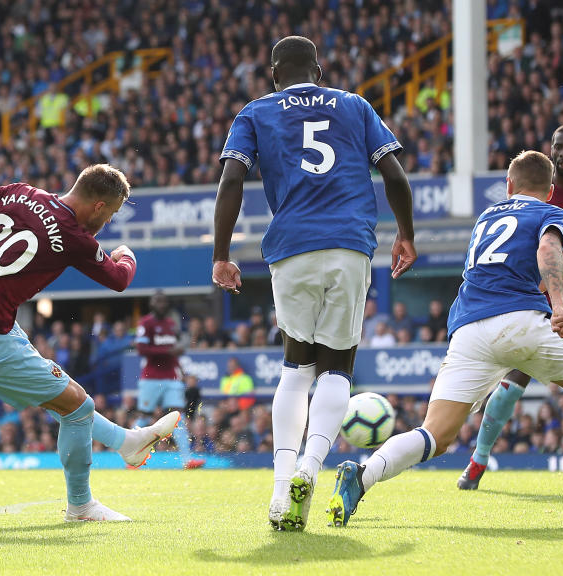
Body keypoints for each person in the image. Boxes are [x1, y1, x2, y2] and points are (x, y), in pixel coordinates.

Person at [327, 151, 563, 525]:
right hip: (520, 322)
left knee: (434, 435)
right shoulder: (552, 213)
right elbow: (548, 252)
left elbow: (537, 269)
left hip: (470, 330)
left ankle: (361, 475)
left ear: (508, 185)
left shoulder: (487, 217)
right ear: (550, 190)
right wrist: (559, 307)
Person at [212, 35, 417, 531]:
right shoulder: (355, 105)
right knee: (336, 368)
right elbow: (394, 174)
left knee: (296, 363)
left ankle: (283, 489)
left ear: (275, 74)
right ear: (319, 71)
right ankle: (311, 466)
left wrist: (222, 253)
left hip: (290, 246)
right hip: (348, 243)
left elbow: (231, 182)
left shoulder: (256, 111)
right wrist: (406, 235)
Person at [0, 164, 179, 522]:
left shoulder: (18, 192)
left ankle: (128, 443)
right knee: (77, 406)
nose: (107, 223)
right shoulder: (75, 238)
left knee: (65, 398)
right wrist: (127, 252)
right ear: (99, 206)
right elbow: (120, 278)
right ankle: (81, 506)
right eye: (110, 215)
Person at [458, 124, 563, 492]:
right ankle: (479, 458)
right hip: (536, 306)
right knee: (510, 388)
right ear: (551, 153)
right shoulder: (539, 201)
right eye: (557, 148)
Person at [135, 290, 205, 469]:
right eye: (158, 302)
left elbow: (174, 350)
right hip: (150, 377)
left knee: (177, 416)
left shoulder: (171, 324)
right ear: (152, 304)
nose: (162, 305)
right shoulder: (146, 323)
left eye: (164, 302)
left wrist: (180, 368)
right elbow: (141, 349)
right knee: (145, 416)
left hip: (171, 377)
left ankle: (187, 460)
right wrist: (167, 352)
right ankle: (131, 456)